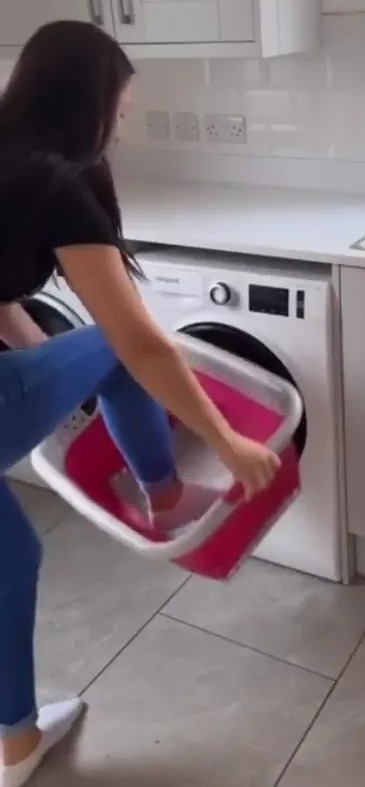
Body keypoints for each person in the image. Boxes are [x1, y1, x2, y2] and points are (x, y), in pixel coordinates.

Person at [0, 20, 281, 787]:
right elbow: (142, 345)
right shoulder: (57, 182)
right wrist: (227, 442)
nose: (121, 122)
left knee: (10, 557)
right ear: (91, 101)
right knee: (115, 345)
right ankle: (161, 492)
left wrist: (49, 373)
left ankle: (15, 744)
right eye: (120, 104)